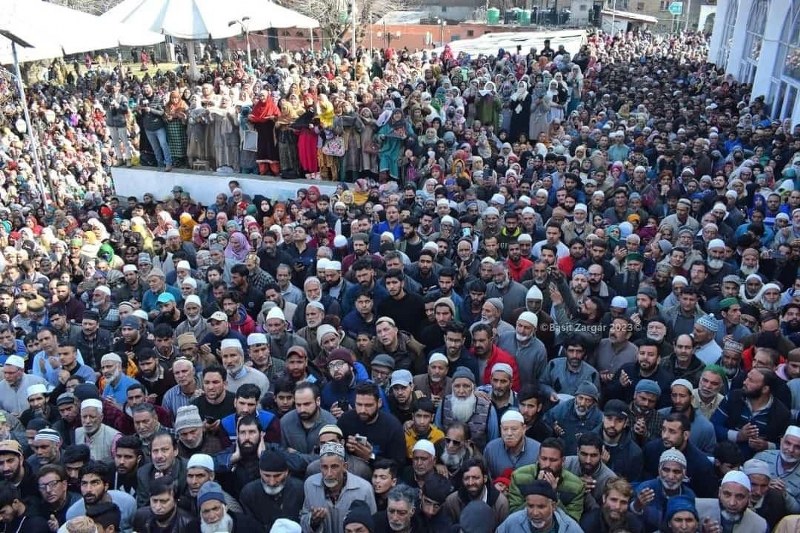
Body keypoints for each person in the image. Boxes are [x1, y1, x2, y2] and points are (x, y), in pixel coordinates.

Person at [299, 442, 376, 533]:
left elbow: (373, 523)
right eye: (325, 467)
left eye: (334, 467)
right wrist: (313, 520)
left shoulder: (364, 488)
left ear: (344, 467)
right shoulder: (310, 484)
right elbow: (303, 519)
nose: (329, 473)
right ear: (320, 467)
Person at [507, 437, 585, 521]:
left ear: (563, 461)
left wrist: (553, 495)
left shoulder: (576, 486)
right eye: (544, 459)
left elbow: (572, 523)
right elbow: (514, 515)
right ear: (538, 458)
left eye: (553, 460)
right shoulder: (519, 476)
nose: (547, 464)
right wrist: (537, 490)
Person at [238, 450, 304, 529]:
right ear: (260, 472)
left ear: (286, 472)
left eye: (277, 476)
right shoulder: (249, 493)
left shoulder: (300, 489)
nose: (272, 482)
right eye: (267, 475)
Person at [497, 479, 582, 532]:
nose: (535, 513)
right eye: (530, 506)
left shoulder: (571, 528)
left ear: (553, 506)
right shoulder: (512, 522)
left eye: (541, 507)